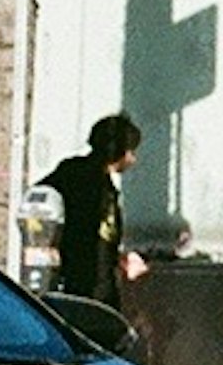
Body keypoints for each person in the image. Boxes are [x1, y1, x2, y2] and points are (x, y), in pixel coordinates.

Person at [40, 114, 145, 302]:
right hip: (85, 284)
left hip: (90, 281)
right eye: (130, 151)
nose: (132, 159)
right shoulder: (85, 180)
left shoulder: (81, 175)